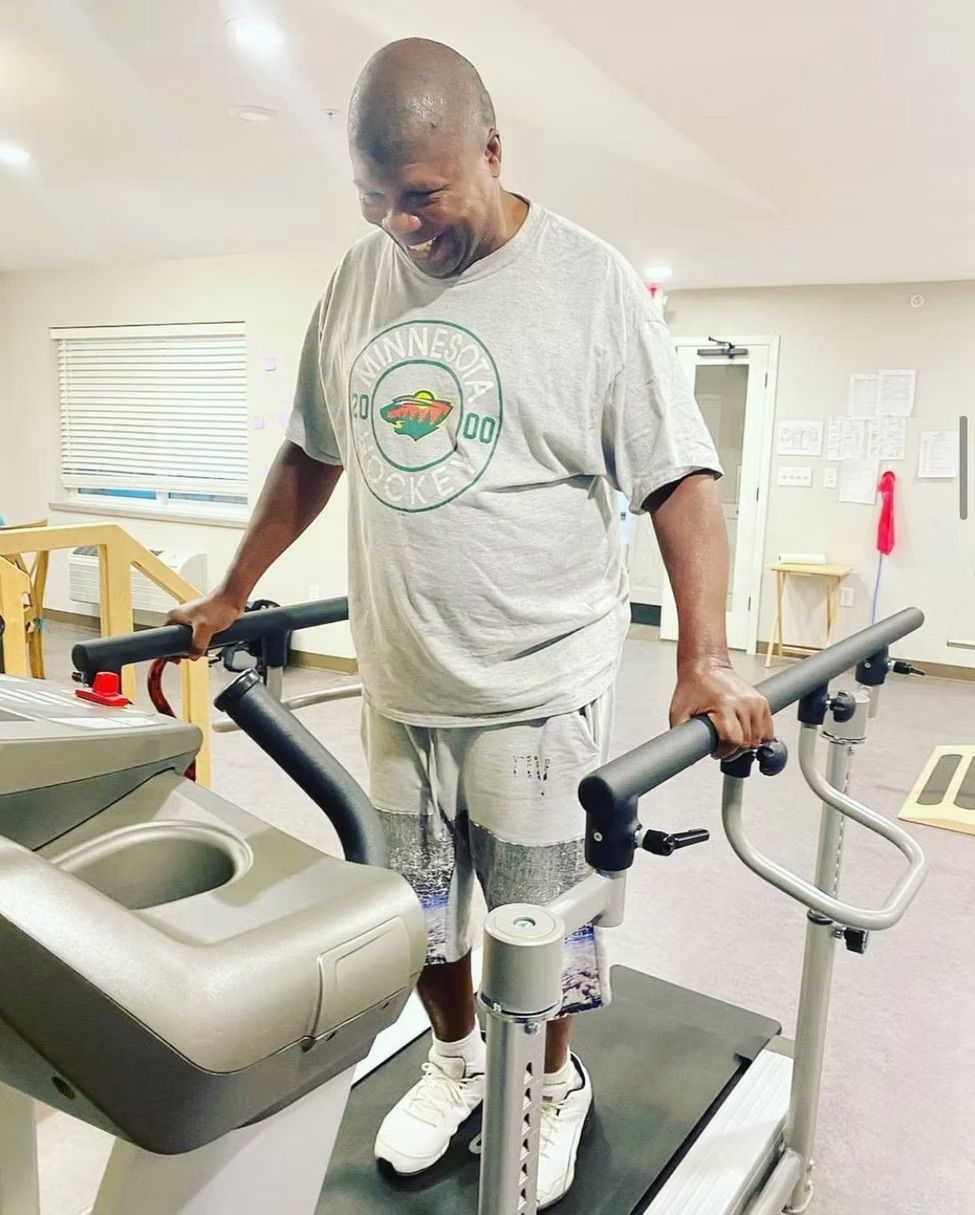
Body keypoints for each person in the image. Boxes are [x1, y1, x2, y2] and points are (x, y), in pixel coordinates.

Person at [170, 38, 773, 1208]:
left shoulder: (588, 284)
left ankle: (549, 1080)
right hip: (400, 685)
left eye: (424, 196)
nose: (400, 225)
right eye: (375, 201)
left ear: (492, 153)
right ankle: (455, 1065)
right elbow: (311, 446)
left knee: (545, 923)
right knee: (423, 916)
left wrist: (703, 654)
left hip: (536, 688)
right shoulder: (358, 278)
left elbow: (680, 479)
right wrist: (234, 589)